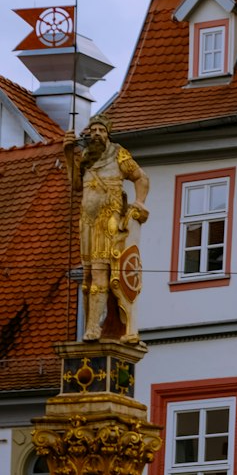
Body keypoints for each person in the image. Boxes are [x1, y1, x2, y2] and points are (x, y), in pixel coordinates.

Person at [63, 118, 150, 342]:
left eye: (101, 130)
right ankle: (90, 326)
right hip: (87, 221)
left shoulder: (118, 153)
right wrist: (68, 154)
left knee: (100, 272)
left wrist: (139, 203)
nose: (97, 134)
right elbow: (75, 185)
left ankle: (93, 328)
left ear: (108, 134)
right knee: (88, 276)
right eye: (93, 131)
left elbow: (141, 177)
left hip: (107, 218)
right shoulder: (86, 158)